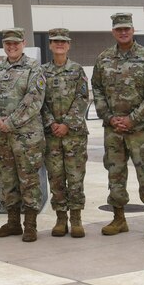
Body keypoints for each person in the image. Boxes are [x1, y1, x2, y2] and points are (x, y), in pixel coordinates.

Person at [91, 13, 144, 240]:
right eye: (119, 29)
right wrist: (109, 117)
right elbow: (97, 90)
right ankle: (119, 218)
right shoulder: (103, 59)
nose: (123, 32)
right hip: (113, 129)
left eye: (127, 29)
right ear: (113, 32)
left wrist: (133, 118)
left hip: (141, 130)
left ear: (133, 30)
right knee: (115, 174)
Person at [0, 27, 46, 242]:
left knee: (28, 179)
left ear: (23, 43)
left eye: (15, 43)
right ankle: (13, 223)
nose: (12, 47)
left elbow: (34, 99)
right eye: (8, 43)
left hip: (26, 136)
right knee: (7, 179)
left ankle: (30, 224)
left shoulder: (33, 68)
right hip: (0, 135)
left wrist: (10, 122)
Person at [41, 28, 90, 238]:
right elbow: (38, 101)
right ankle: (61, 218)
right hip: (51, 135)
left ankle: (77, 218)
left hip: (74, 135)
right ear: (50, 45)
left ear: (68, 45)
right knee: (56, 177)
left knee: (75, 176)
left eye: (63, 42)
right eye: (55, 41)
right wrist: (52, 123)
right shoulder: (41, 72)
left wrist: (67, 124)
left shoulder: (77, 70)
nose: (59, 45)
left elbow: (82, 99)